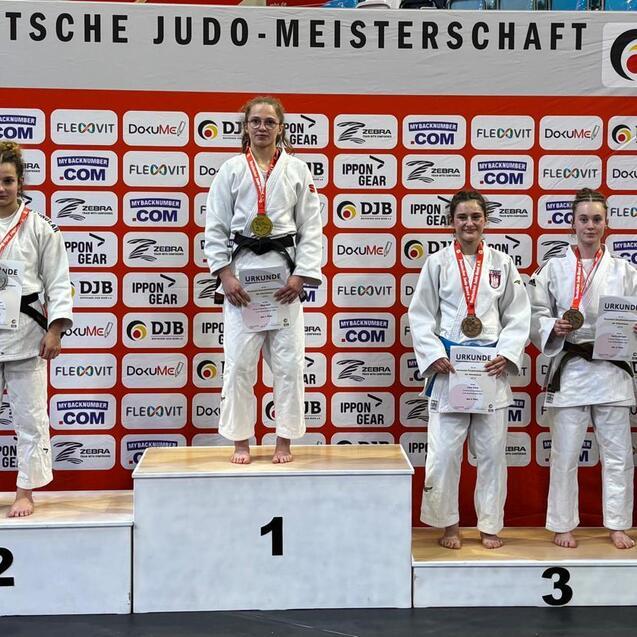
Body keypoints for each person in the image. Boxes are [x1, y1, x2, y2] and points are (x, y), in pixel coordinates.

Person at [408, 190, 530, 549]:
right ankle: (448, 524)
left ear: (485, 221)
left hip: (490, 370)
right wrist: (433, 355)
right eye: (462, 217)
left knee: (491, 453)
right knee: (444, 454)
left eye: (476, 216)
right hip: (451, 370)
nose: (469, 223)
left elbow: (518, 314)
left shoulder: (502, 263)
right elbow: (421, 314)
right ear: (452, 222)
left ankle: (489, 524)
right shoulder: (437, 263)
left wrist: (507, 354)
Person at [204, 96, 322, 465]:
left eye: (269, 122)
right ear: (246, 127)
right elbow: (215, 226)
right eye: (255, 121)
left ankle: (283, 440)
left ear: (281, 128)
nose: (262, 127)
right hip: (242, 281)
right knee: (239, 364)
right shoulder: (230, 170)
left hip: (284, 280)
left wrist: (302, 275)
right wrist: (224, 275)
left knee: (288, 365)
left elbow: (311, 227)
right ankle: (241, 440)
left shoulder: (297, 170)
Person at [529, 188, 637, 549]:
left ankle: (618, 524)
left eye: (596, 219)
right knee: (565, 453)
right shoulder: (553, 268)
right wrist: (552, 326)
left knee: (618, 455)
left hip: (612, 369)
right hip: (572, 367)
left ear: (606, 223)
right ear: (572, 223)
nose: (590, 226)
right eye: (583, 219)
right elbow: (534, 313)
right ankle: (562, 524)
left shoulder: (625, 270)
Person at [0, 141, 72, 517]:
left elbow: (58, 282)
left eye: (8, 180)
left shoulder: (41, 227)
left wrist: (55, 330)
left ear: (20, 182)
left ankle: (25, 491)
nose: (1, 188)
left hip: (26, 333)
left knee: (30, 418)